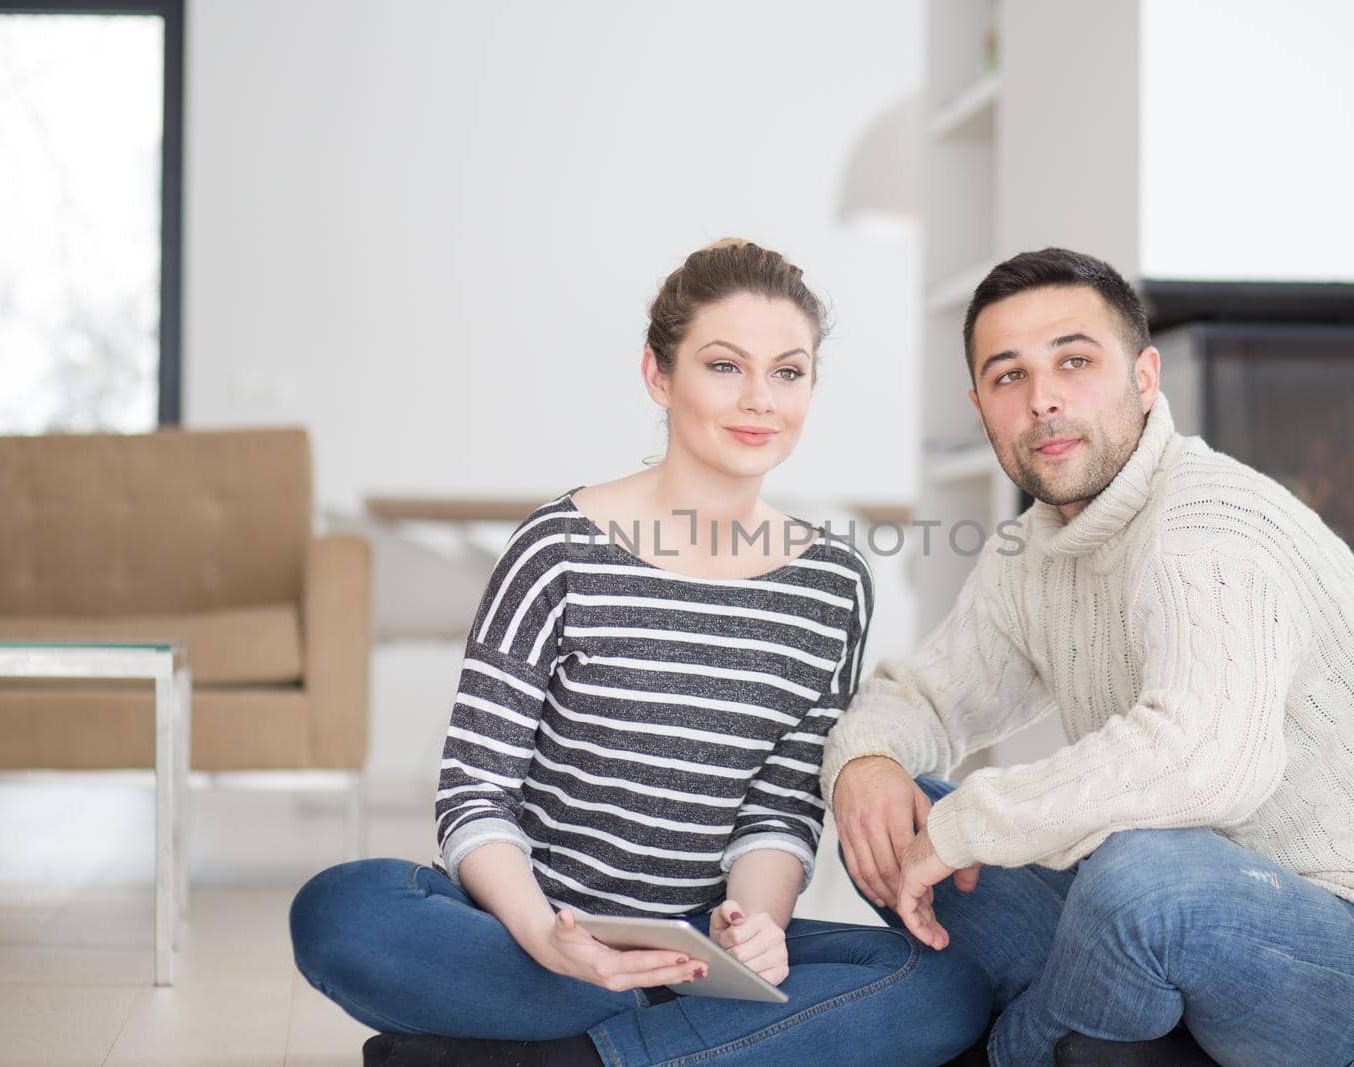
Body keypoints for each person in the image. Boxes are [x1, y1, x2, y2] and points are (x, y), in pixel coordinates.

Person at [289, 239, 991, 1067]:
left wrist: (754, 925)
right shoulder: (556, 548)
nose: (760, 399)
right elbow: (474, 794)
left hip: (695, 951)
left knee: (944, 985)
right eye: (725, 366)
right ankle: (678, 1043)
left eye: (789, 372)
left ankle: (554, 1056)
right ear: (660, 376)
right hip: (524, 933)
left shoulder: (832, 585)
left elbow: (775, 809)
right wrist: (550, 940)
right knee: (341, 909)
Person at [826, 247, 1354, 1067]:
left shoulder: (1205, 526)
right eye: (1009, 377)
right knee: (895, 820)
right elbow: (924, 697)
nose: (1044, 400)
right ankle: (1115, 1039)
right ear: (981, 407)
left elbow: (1208, 759)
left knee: (1138, 875)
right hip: (1176, 923)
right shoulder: (1031, 552)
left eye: (1075, 360)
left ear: (1145, 378)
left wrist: (970, 825)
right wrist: (865, 761)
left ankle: (1026, 1047)